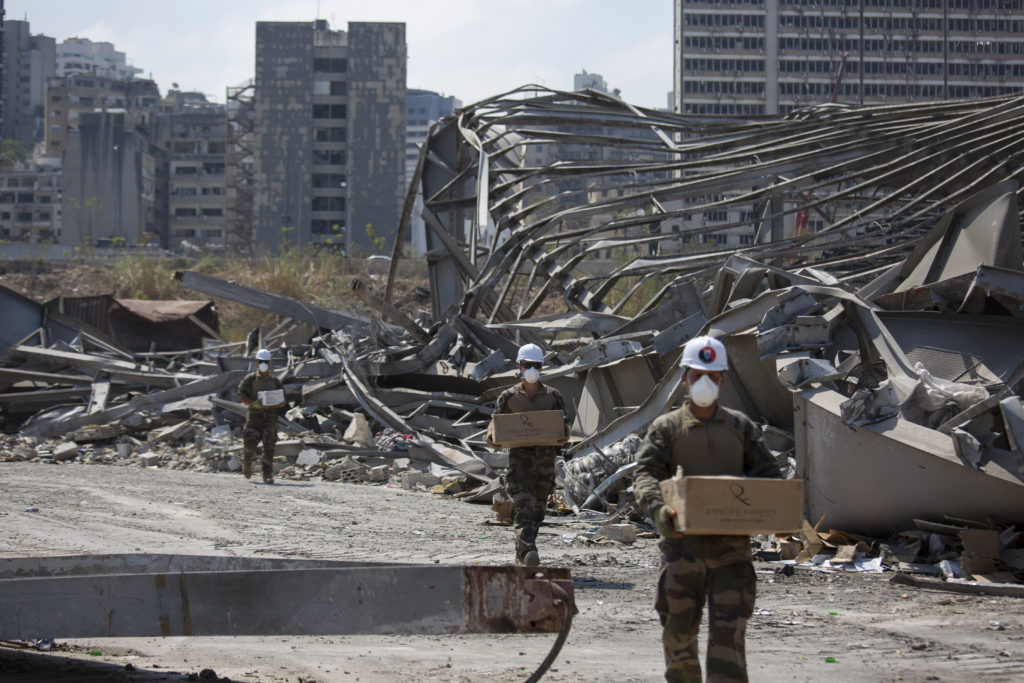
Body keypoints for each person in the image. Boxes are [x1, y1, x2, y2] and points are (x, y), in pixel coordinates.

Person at [633, 335, 782, 683]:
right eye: (697, 374)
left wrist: (779, 515)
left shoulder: (741, 428)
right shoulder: (667, 428)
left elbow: (771, 482)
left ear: (723, 380)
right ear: (684, 378)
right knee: (679, 640)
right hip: (681, 550)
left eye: (712, 376)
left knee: (728, 645)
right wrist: (658, 511)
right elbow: (645, 475)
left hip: (732, 554)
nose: (705, 382)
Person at [491, 343, 568, 566]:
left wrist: (561, 433)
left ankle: (521, 555)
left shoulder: (554, 397)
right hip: (520, 463)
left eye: (535, 365)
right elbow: (496, 427)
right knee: (524, 506)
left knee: (537, 512)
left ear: (541, 368)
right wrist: (494, 438)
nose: (531, 370)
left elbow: (566, 426)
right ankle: (529, 550)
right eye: (527, 365)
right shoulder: (508, 397)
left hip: (544, 464)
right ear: (520, 367)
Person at [237, 348, 286, 484]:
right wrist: (253, 404)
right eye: (261, 361)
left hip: (270, 418)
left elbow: (283, 399)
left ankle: (267, 474)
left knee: (269, 447)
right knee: (250, 445)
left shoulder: (275, 381)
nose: (263, 364)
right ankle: (247, 463)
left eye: (266, 362)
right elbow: (241, 395)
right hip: (254, 418)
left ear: (269, 363)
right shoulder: (250, 379)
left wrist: (279, 402)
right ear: (257, 362)